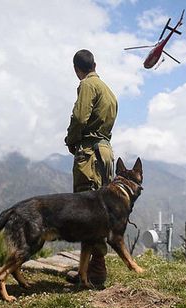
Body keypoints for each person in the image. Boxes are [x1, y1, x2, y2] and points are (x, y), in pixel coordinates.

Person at [64, 49, 118, 287]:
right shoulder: (109, 91)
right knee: (102, 210)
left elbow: (79, 118)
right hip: (106, 153)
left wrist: (71, 140)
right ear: (95, 64)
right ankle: (90, 268)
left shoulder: (87, 86)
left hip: (90, 155)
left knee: (87, 211)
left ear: (77, 69)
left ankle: (95, 270)